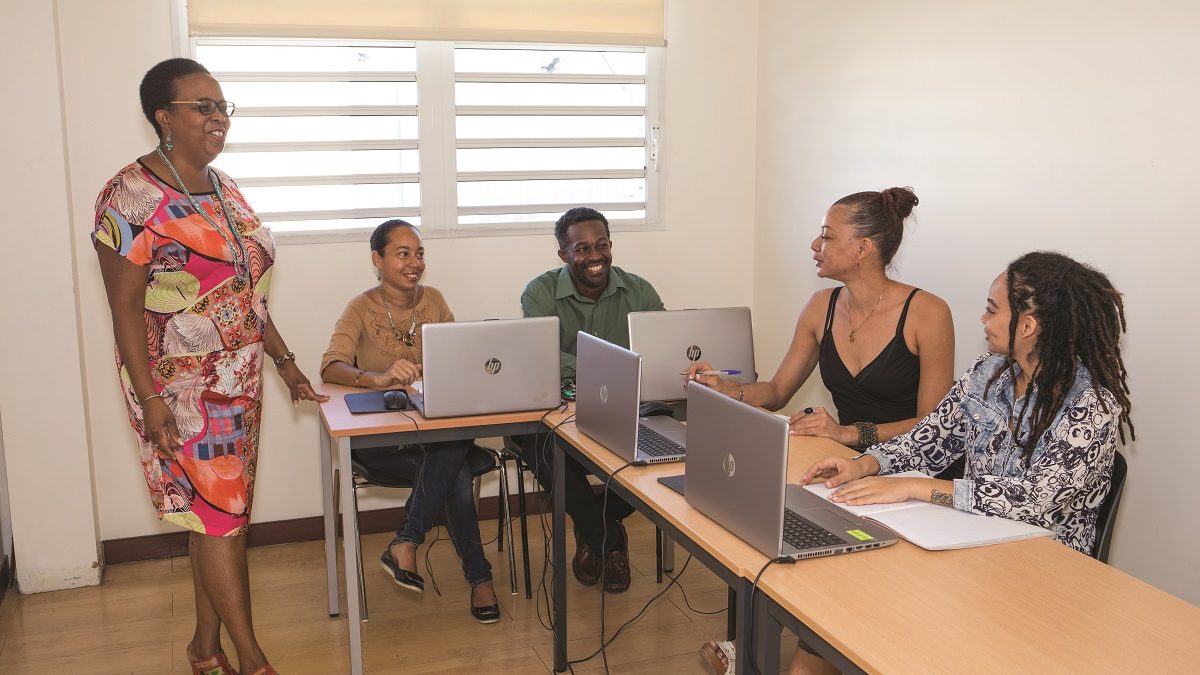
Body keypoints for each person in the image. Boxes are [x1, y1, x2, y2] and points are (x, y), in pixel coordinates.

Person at [792, 251, 1134, 675]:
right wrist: (868, 465)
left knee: (897, 620)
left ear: (1027, 326)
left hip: (1043, 577)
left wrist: (918, 487)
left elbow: (1038, 501)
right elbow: (929, 438)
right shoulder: (987, 374)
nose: (983, 321)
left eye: (992, 311)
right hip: (972, 548)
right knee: (846, 605)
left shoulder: (1091, 404)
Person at [93, 58, 327, 675]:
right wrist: (149, 400)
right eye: (204, 106)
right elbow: (122, 309)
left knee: (217, 519)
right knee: (222, 520)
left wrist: (284, 362)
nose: (219, 117)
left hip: (238, 383)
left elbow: (245, 292)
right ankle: (252, 660)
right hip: (180, 388)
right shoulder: (129, 197)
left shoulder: (225, 187)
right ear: (163, 117)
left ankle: (204, 648)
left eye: (223, 106)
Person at [692, 187, 956, 675]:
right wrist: (722, 389)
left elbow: (936, 426)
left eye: (827, 236)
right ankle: (756, 647)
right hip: (847, 467)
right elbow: (773, 391)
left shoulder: (927, 313)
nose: (816, 245)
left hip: (910, 474)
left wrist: (852, 434)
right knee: (766, 524)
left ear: (863, 248)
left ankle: (777, 652)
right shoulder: (821, 306)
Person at [320, 219, 500, 624]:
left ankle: (407, 542)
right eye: (403, 253)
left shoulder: (433, 300)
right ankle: (479, 579)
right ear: (377, 260)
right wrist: (377, 378)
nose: (414, 262)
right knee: (452, 464)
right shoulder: (360, 308)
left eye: (419, 253)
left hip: (434, 431)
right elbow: (330, 365)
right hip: (387, 442)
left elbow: (457, 357)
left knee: (451, 446)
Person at [513, 206, 665, 593]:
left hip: (625, 407)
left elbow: (661, 348)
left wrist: (615, 372)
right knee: (541, 448)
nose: (595, 256)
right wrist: (604, 367)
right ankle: (610, 541)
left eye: (602, 245)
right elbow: (536, 351)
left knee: (662, 457)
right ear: (563, 254)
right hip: (554, 411)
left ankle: (592, 527)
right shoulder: (541, 291)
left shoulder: (639, 290)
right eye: (582, 249)